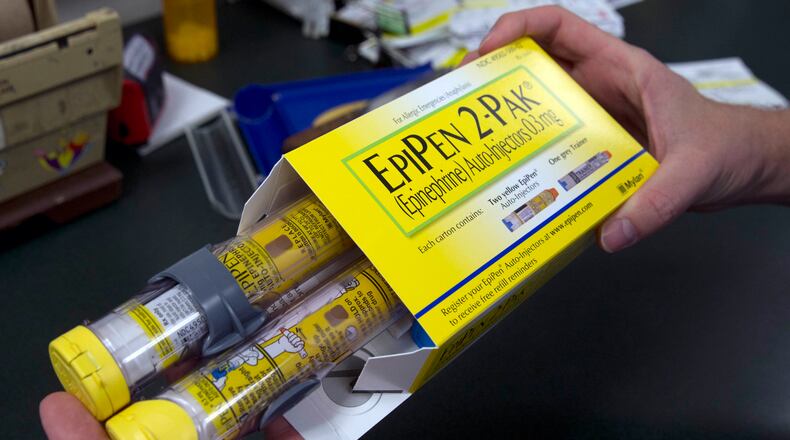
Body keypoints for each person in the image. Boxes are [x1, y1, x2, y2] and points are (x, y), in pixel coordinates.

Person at [39, 5, 790, 439]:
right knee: (269, 297)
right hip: (212, 360)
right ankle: (135, 364)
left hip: (362, 315)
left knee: (300, 328)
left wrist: (758, 147)